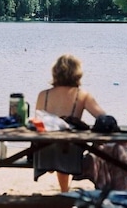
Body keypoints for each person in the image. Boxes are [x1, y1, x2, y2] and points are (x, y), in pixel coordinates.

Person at [34, 54, 106, 192]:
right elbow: (102, 117)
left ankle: (64, 190)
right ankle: (65, 191)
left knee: (59, 145)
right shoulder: (82, 95)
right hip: (70, 153)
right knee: (70, 146)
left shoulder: (43, 94)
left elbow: (38, 121)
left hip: (42, 152)